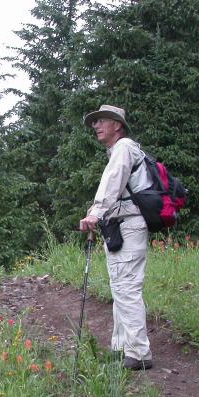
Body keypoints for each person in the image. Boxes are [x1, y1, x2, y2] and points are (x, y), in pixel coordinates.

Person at [79, 104, 153, 370]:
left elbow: (112, 184)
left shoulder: (124, 148)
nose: (96, 126)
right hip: (124, 225)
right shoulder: (121, 150)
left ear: (117, 125)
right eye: (94, 122)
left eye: (102, 121)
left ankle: (138, 353)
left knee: (127, 287)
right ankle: (123, 347)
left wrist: (95, 214)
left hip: (130, 225)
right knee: (121, 285)